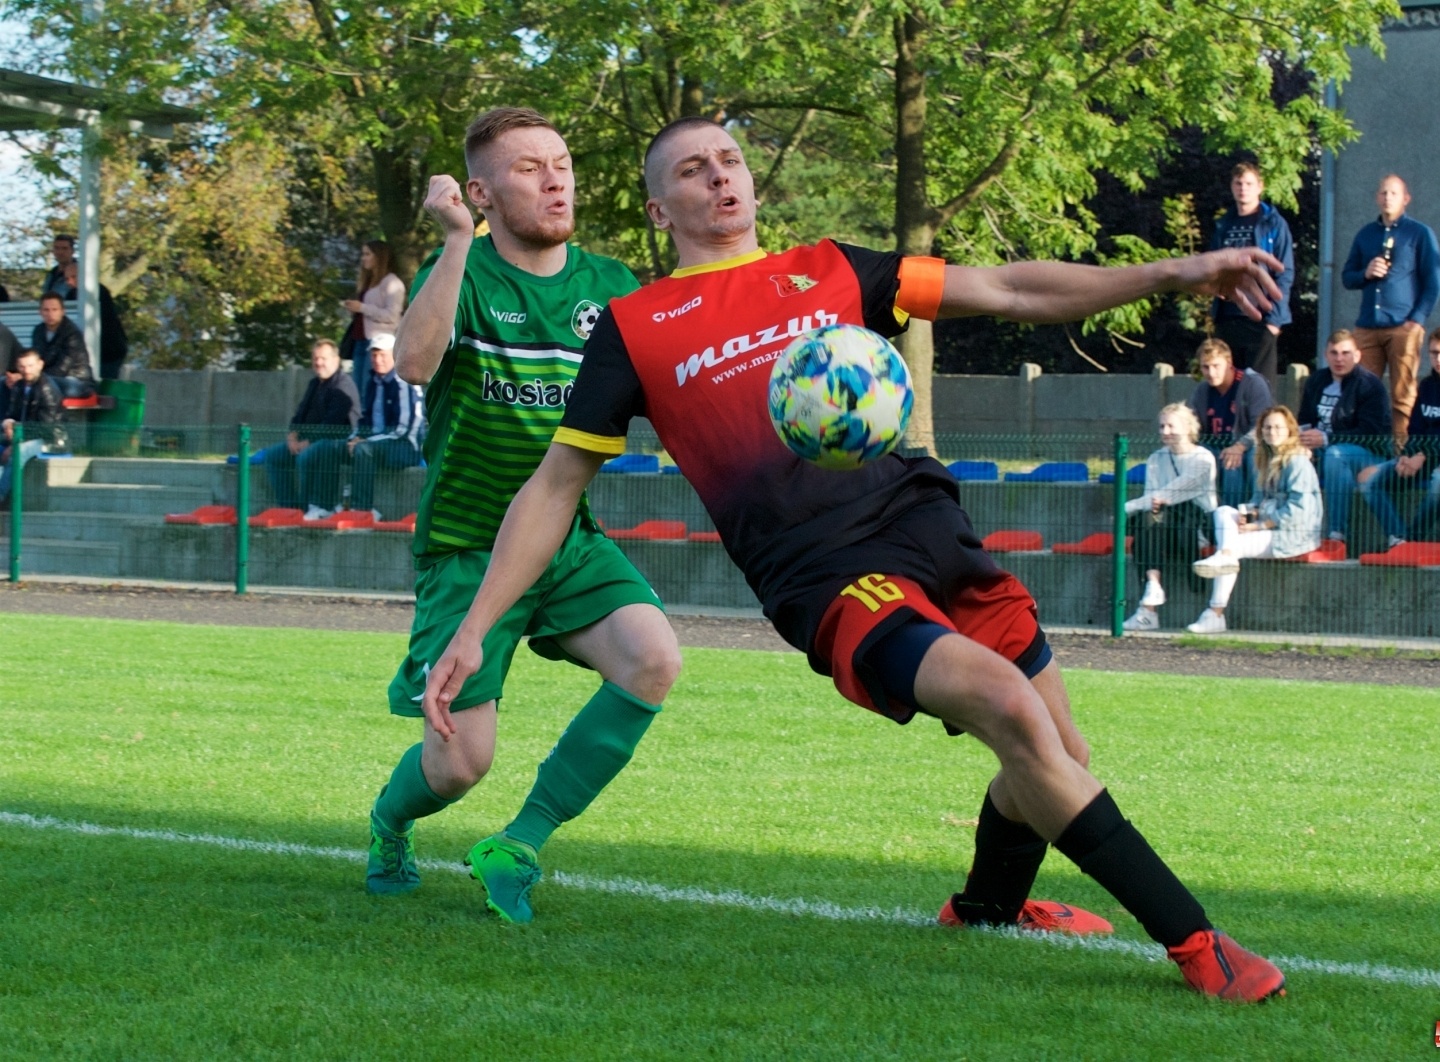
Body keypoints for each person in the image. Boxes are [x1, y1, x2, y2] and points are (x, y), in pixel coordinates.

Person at [421, 116, 1290, 1001]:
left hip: (927, 523)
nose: (720, 179)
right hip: (823, 572)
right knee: (1006, 706)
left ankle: (988, 907)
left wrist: (1173, 271)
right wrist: (475, 627)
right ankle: (1199, 945)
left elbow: (1011, 290)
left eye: (731, 162)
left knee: (1060, 752)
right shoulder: (637, 326)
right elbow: (555, 485)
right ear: (658, 207)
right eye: (692, 170)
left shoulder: (833, 269)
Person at [365, 107, 682, 928]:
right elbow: (413, 362)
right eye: (529, 168)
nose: (555, 180)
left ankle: (522, 841)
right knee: (459, 765)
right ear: (481, 191)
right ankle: (389, 822)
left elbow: (682, 381)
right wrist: (459, 242)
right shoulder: (461, 269)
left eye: (563, 163)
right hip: (467, 547)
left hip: (568, 541)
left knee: (652, 660)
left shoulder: (612, 287)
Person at [1188, 407, 1323, 633]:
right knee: (1223, 512)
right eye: (1267, 427)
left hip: (1293, 534)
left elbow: (1298, 511)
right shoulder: (1265, 459)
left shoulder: (1297, 462)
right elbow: (1258, 500)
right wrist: (1247, 513)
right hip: (1270, 525)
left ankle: (1215, 614)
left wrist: (1258, 525)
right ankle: (1225, 558)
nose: (1272, 432)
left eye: (1278, 427)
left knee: (1233, 546)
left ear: (1290, 430)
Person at [1357, 326, 1440, 547]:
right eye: (1434, 353)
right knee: (1368, 481)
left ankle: (1414, 539)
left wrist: (1423, 455)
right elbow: (1416, 429)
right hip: (1422, 455)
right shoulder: (1428, 385)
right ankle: (1399, 538)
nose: (1439, 359)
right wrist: (1406, 456)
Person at [1340, 175, 1440, 447]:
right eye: (1384, 193)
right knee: (1363, 392)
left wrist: (1417, 320)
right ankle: (1366, 450)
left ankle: (1401, 455)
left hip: (1403, 325)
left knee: (1402, 395)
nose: (1388, 198)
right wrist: (1366, 272)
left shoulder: (1419, 233)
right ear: (1377, 197)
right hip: (1367, 325)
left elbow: (1434, 282)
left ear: (1405, 199)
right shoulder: (1366, 235)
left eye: (1394, 193)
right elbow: (1347, 277)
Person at [1122, 403, 1217, 632]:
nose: (1165, 431)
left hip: (1194, 522)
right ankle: (1152, 589)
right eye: (1162, 426)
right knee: (1148, 522)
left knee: (1151, 519)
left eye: (1171, 426)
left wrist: (1124, 507)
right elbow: (1151, 497)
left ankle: (1147, 611)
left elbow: (1173, 492)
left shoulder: (1203, 459)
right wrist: (1149, 505)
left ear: (1187, 427)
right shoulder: (1156, 458)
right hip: (1162, 522)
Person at [1296, 329, 1389, 546]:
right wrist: (1302, 441)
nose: (1339, 359)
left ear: (1357, 356)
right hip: (1320, 448)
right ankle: (1291, 532)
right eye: (1334, 353)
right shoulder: (1316, 381)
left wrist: (1327, 439)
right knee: (1289, 457)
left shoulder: (1369, 385)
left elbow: (1370, 433)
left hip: (1366, 453)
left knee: (1335, 456)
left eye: (1345, 353)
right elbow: (1304, 420)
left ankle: (1337, 534)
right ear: (1326, 355)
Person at [1208, 162, 1294, 377]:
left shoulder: (1273, 224)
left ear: (1260, 187)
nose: (1243, 188)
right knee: (1227, 388)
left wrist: (1275, 321)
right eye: (1238, 183)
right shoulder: (1223, 225)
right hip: (1228, 316)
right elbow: (1211, 268)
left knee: (1259, 392)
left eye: (1248, 183)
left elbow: (1285, 272)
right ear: (1232, 187)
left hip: (1261, 318)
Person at [261, 339, 360, 518]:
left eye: (323, 358)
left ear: (336, 360)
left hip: (335, 443)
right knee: (272, 456)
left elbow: (333, 424)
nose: (318, 363)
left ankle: (307, 508)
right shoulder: (315, 383)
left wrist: (308, 442)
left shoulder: (343, 385)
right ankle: (289, 507)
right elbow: (300, 413)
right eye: (315, 358)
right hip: (308, 440)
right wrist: (292, 435)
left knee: (305, 458)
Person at [345, 333, 424, 519]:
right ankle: (320, 507)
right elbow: (364, 419)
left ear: (395, 355)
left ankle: (362, 511)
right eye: (373, 355)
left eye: (382, 355)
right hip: (373, 444)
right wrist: (353, 439)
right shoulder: (372, 382)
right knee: (326, 450)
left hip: (404, 447)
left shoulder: (405, 381)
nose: (377, 360)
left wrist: (364, 441)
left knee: (363, 450)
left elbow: (402, 430)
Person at [1186, 337, 1271, 507]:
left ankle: (1251, 511)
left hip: (1248, 447)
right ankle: (1202, 518)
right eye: (1205, 367)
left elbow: (1262, 425)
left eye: (1216, 366)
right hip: (1216, 448)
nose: (1211, 373)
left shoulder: (1252, 383)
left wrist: (1239, 446)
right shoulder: (1202, 390)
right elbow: (1191, 424)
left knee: (1236, 464)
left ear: (1228, 361)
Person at [0, 349, 69, 504]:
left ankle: (2, 495)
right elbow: (11, 413)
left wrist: (17, 441)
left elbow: (46, 428)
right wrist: (8, 424)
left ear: (40, 365)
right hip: (23, 434)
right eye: (23, 367)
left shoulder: (47, 390)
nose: (27, 371)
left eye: (30, 366)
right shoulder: (19, 387)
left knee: (18, 452)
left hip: (50, 440)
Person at [341, 240, 406, 400]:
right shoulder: (368, 283)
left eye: (367, 254)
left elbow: (392, 316)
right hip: (360, 341)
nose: (363, 258)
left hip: (378, 345)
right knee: (356, 393)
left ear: (380, 257)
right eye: (363, 254)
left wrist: (362, 308)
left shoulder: (392, 283)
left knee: (369, 391)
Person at [61, 260, 129, 382]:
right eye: (66, 279)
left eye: (73, 277)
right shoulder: (71, 295)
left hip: (109, 352)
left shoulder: (98, 292)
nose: (69, 282)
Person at [32, 293, 95, 398]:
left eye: (54, 309)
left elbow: (62, 368)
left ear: (63, 311)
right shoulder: (38, 331)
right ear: (40, 312)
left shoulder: (72, 333)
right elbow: (36, 358)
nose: (50, 314)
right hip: (47, 378)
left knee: (59, 388)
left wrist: (37, 378)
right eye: (46, 310)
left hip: (76, 381)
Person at [42, 234, 75, 299]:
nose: (60, 252)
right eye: (57, 248)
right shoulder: (51, 274)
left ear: (72, 251)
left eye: (64, 248)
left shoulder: (79, 273)